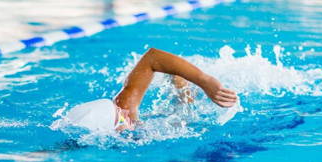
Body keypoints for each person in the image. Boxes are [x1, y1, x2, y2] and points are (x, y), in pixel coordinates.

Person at [65, 48, 237, 132]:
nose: (123, 116)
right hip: (151, 125)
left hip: (155, 121)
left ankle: (181, 85)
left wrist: (205, 81)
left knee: (183, 115)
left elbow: (153, 57)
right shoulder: (120, 123)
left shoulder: (123, 108)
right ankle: (180, 85)